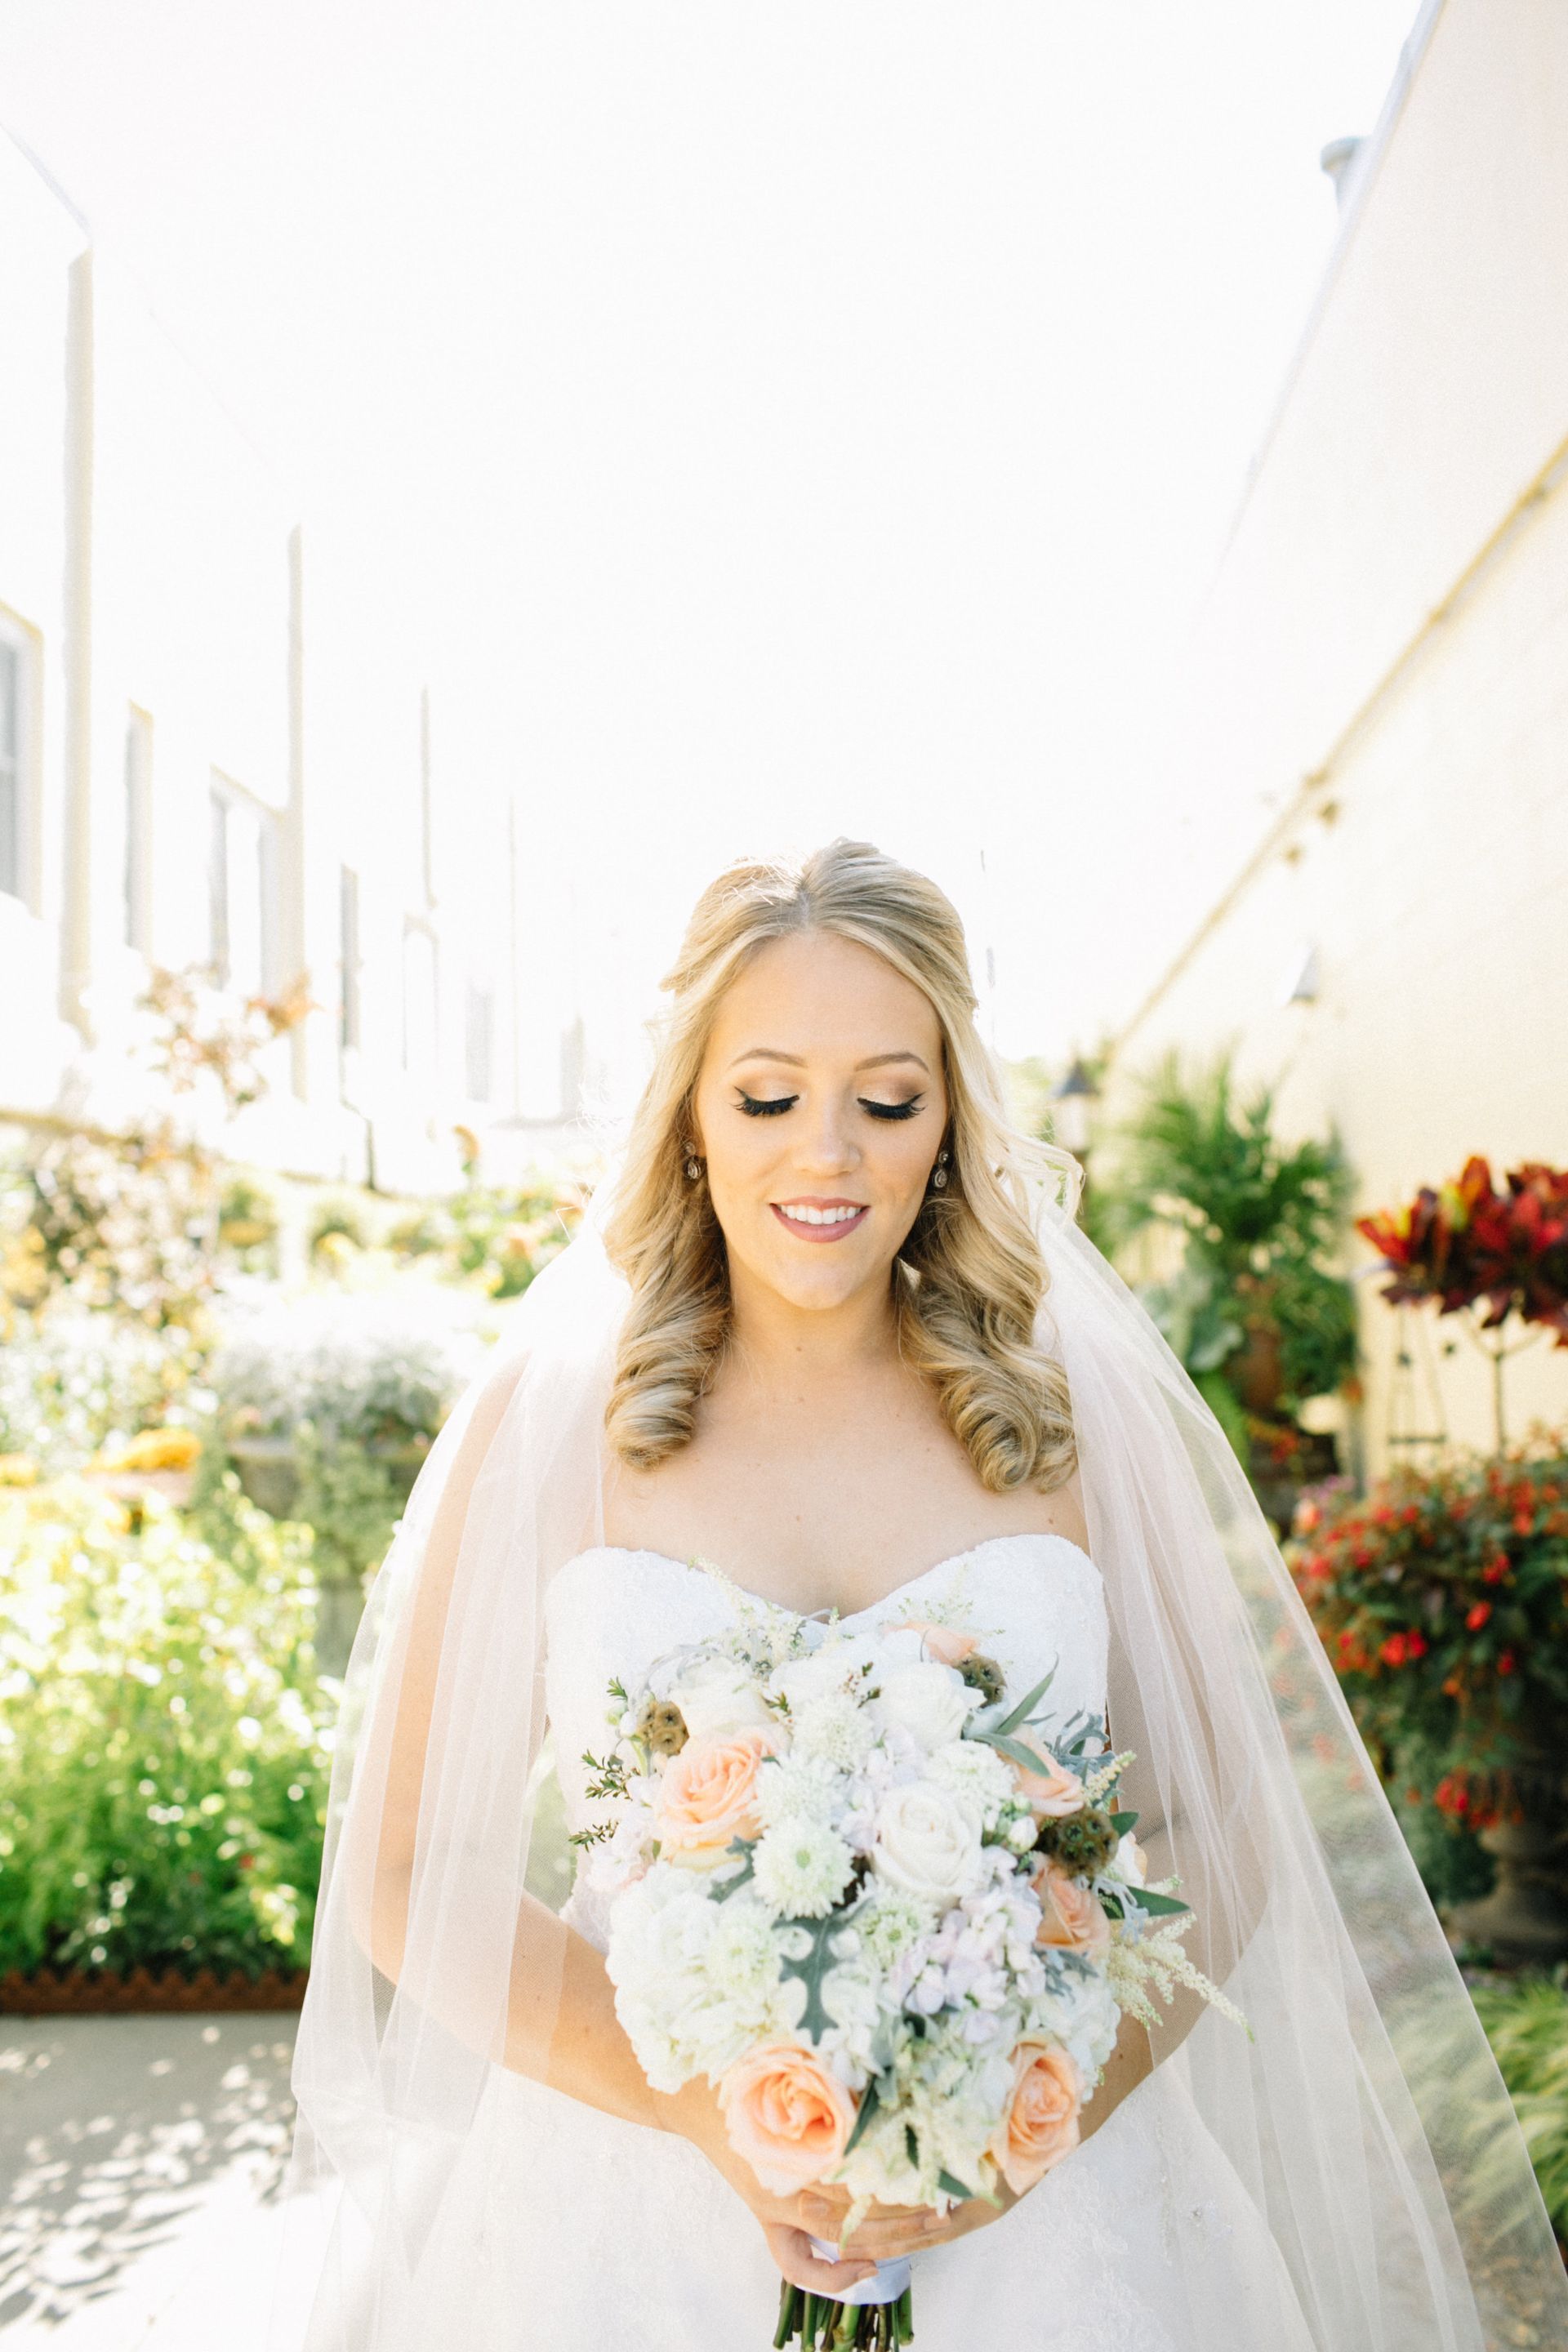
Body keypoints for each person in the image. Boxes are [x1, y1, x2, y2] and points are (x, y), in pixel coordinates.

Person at [283, 842, 1568, 2351]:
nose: (825, 1153)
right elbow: (406, 1867)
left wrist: (1029, 2118)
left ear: (950, 1118)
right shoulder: (554, 1424)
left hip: (1064, 2237)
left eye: (886, 1100)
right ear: (690, 1117)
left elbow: (1221, 1830)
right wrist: (713, 2115)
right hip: (629, 2228)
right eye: (767, 1097)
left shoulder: (1074, 1416)